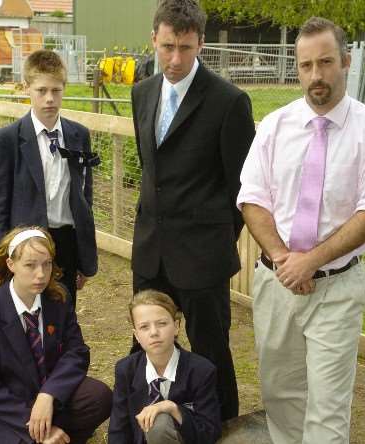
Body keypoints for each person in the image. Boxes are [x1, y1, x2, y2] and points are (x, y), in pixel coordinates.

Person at [237, 17, 365, 444]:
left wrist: (310, 261)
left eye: (325, 62)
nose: (316, 75)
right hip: (277, 284)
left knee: (327, 409)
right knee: (281, 395)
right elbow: (252, 197)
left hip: (336, 288)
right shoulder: (274, 126)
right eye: (306, 65)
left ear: (346, 62)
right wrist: (283, 258)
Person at [131, 0, 255, 421]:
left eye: (186, 47)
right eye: (167, 47)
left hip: (202, 258)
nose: (176, 58)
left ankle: (221, 425)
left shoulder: (228, 102)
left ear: (201, 42)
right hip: (150, 251)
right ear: (154, 40)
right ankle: (148, 422)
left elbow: (242, 188)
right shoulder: (142, 92)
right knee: (146, 346)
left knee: (210, 351)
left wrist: (213, 239)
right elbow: (152, 170)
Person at [0, 227, 112, 444]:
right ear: (11, 265)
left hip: (43, 394)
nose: (40, 274)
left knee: (99, 398)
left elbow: (76, 352)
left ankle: (58, 435)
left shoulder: (58, 298)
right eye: (30, 265)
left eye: (47, 264)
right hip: (4, 409)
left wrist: (48, 394)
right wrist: (33, 424)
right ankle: (46, 435)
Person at [0, 49, 99, 305]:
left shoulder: (79, 135)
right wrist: (1, 261)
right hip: (26, 246)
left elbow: (84, 198)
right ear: (27, 88)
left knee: (63, 317)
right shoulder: (6, 141)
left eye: (56, 90)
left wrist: (83, 258)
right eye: (41, 90)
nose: (49, 99)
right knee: (26, 318)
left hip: (66, 243)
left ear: (64, 88)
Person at [108, 289, 221, 444]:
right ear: (136, 335)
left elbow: (209, 432)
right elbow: (118, 428)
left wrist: (172, 408)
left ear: (176, 326)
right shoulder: (126, 369)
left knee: (158, 423)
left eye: (162, 323)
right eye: (144, 327)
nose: (154, 332)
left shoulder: (201, 370)